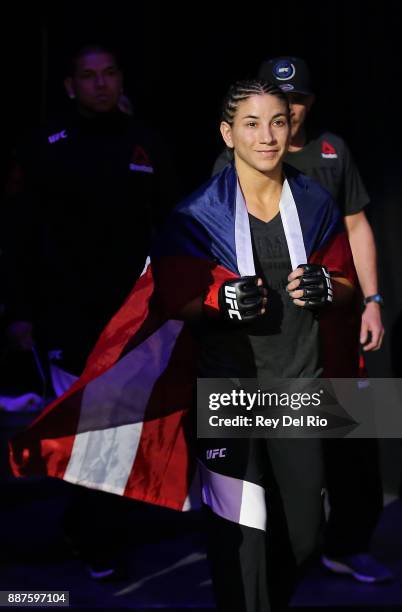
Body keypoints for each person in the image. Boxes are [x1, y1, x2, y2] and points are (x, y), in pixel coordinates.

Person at [11, 78, 357, 611]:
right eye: (251, 124)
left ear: (291, 129)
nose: (266, 136)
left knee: (304, 534)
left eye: (277, 122)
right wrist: (219, 302)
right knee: (239, 536)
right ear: (227, 134)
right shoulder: (196, 213)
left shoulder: (314, 203)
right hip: (227, 393)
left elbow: (347, 281)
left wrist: (332, 288)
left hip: (298, 390)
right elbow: (172, 301)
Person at [214, 56, 391, 583]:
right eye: (278, 101)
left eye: (298, 101)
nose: (289, 111)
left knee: (350, 436)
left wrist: (373, 300)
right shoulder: (234, 159)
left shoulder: (331, 152)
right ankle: (269, 553)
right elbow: (211, 241)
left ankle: (349, 543)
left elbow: (357, 226)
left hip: (332, 329)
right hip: (268, 336)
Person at [2, 42, 175, 579]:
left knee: (121, 431)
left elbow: (172, 225)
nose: (100, 83)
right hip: (66, 317)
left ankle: (88, 525)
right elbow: (19, 235)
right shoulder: (45, 147)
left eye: (108, 74)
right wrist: (19, 312)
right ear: (70, 86)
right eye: (88, 76)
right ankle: (96, 540)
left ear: (121, 80)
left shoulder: (146, 144)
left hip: (134, 314)